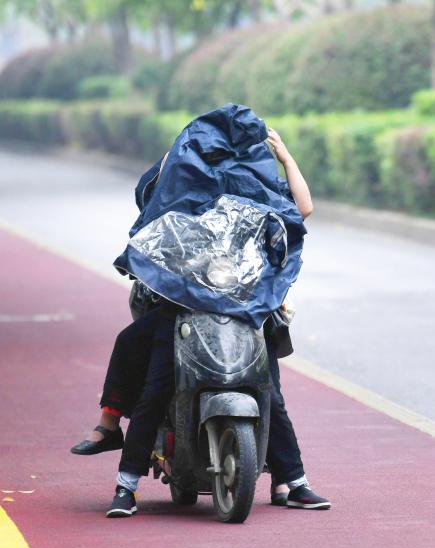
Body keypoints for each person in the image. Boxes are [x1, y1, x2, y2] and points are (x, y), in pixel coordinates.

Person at [71, 127, 331, 516]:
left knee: (270, 394)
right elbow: (150, 208)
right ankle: (126, 485)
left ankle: (293, 482)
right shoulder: (183, 191)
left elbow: (302, 210)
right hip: (184, 307)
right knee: (155, 386)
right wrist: (174, 155)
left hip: (246, 309)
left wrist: (287, 158)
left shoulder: (253, 189)